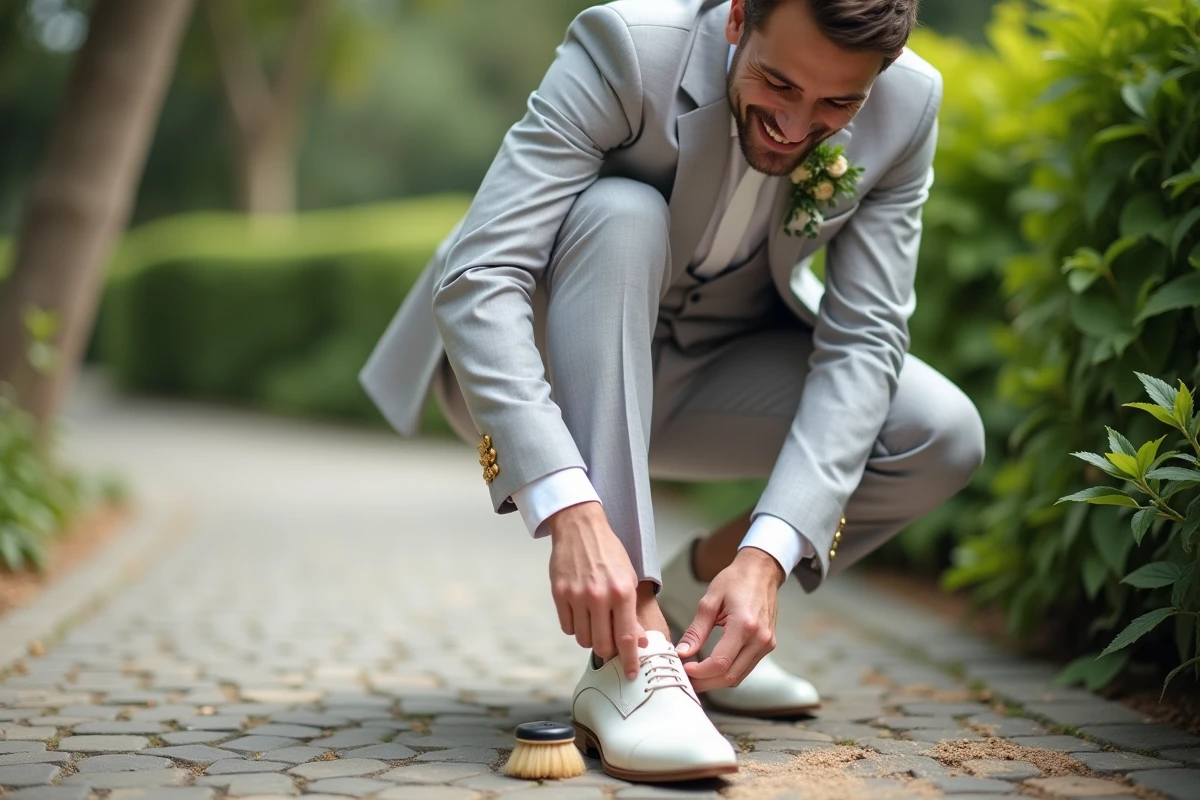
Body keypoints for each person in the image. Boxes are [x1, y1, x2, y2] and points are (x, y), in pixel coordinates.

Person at [361, 0, 984, 782]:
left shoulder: (909, 104)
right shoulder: (627, 47)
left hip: (706, 375)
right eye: (778, 83)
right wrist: (570, 507)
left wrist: (765, 556)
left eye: (836, 104)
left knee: (939, 433)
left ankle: (698, 596)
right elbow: (482, 275)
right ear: (736, 20)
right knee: (621, 211)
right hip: (550, 367)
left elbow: (865, 339)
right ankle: (631, 653)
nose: (795, 128)